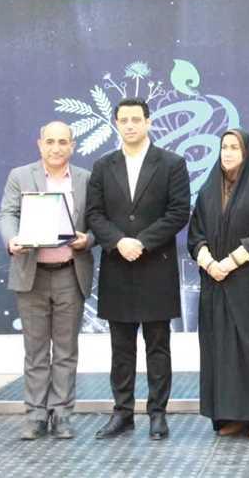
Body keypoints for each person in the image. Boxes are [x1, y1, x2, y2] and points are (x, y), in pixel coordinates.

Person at [86, 98, 191, 441]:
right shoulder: (103, 166)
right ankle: (123, 413)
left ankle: (158, 414)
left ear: (148, 122)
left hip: (156, 266)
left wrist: (142, 242)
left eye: (136, 119)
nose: (130, 125)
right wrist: (119, 242)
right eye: (124, 120)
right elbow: (94, 214)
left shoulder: (172, 163)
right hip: (117, 266)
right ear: (116, 123)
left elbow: (178, 212)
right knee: (121, 347)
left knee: (158, 346)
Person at [0, 121, 96, 440]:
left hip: (70, 272)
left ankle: (62, 414)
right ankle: (36, 415)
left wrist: (88, 239)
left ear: (72, 146)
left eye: (62, 142)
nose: (56, 148)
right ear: (40, 144)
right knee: (35, 350)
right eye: (50, 141)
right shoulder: (20, 176)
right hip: (32, 273)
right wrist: (12, 239)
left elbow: (97, 222)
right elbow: (7, 214)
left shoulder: (85, 179)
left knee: (66, 350)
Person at [187, 129, 249, 440]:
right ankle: (232, 415)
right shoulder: (209, 189)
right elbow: (195, 234)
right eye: (224, 147)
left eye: (234, 147)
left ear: (247, 153)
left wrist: (228, 263)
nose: (227, 152)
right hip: (216, 284)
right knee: (222, 351)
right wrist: (210, 264)